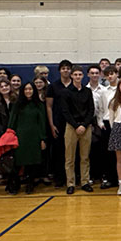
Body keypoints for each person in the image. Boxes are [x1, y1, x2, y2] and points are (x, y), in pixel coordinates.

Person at [60, 66, 96, 195]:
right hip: (71, 127)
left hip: (85, 127)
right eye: (75, 74)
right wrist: (76, 126)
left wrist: (84, 125)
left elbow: (91, 110)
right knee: (69, 158)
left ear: (83, 76)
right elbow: (65, 111)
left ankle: (85, 182)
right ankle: (70, 183)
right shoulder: (66, 92)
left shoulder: (87, 91)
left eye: (80, 74)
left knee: (85, 157)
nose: (77, 77)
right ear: (71, 76)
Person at [7, 82, 47, 194]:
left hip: (34, 137)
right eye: (26, 89)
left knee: (33, 162)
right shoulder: (17, 104)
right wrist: (10, 136)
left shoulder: (39, 105)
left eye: (30, 89)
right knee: (18, 162)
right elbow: (12, 122)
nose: (28, 91)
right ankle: (15, 184)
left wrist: (43, 138)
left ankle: (30, 184)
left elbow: (42, 123)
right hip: (20, 137)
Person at [45, 60, 73, 188]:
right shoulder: (53, 86)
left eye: (68, 68)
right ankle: (59, 178)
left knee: (72, 151)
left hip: (73, 122)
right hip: (58, 122)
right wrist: (51, 124)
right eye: (63, 68)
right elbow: (49, 106)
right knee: (59, 151)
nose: (66, 70)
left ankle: (72, 178)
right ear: (59, 70)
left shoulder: (76, 85)